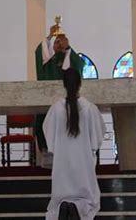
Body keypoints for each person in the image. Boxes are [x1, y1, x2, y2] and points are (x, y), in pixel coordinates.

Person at [43, 68, 106, 220]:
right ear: (80, 84)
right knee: (88, 199)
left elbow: (48, 136)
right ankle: (79, 207)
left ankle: (64, 205)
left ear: (64, 84)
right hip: (83, 163)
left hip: (62, 164)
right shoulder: (90, 108)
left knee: (60, 194)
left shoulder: (56, 109)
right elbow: (97, 138)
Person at [35, 24, 84, 166]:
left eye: (62, 42)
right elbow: (40, 52)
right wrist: (50, 36)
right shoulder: (47, 64)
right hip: (48, 105)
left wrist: (68, 48)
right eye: (56, 42)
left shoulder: (72, 59)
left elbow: (79, 67)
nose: (59, 44)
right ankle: (48, 156)